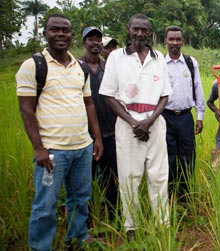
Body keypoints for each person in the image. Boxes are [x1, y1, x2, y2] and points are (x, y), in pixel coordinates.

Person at [16, 14, 103, 249]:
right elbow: (26, 110)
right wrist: (38, 148)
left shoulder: (80, 68)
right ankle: (41, 246)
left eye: (65, 30)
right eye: (55, 29)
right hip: (53, 152)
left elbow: (89, 104)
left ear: (72, 34)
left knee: (80, 198)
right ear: (45, 33)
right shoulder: (34, 66)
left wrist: (96, 139)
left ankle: (77, 238)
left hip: (82, 148)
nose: (61, 34)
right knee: (46, 204)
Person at [99, 14, 172, 239]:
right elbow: (109, 96)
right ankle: (131, 227)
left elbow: (165, 96)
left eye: (144, 30)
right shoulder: (115, 58)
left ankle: (162, 224)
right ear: (128, 29)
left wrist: (149, 121)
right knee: (130, 177)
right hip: (127, 125)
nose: (139, 33)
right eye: (136, 29)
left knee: (159, 176)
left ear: (150, 32)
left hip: (155, 124)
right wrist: (133, 122)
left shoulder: (158, 58)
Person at [161, 25, 206, 204]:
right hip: (165, 117)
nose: (174, 43)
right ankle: (170, 197)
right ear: (165, 41)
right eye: (171, 39)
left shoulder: (190, 62)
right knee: (168, 158)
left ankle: (185, 197)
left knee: (188, 157)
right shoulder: (159, 63)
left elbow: (198, 88)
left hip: (186, 117)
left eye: (178, 39)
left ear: (183, 41)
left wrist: (200, 116)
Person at [80, 26, 119, 221]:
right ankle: (86, 219)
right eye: (90, 39)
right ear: (83, 42)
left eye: (98, 39)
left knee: (112, 177)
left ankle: (113, 216)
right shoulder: (77, 68)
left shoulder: (109, 68)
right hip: (84, 135)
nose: (95, 42)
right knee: (85, 179)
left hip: (111, 132)